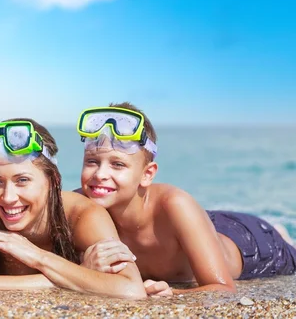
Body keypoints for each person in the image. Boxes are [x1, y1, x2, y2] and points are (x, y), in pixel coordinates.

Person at [75, 102, 296, 295]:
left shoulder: (174, 203)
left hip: (254, 245)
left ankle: (283, 236)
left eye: (118, 164)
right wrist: (84, 269)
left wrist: (173, 294)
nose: (100, 174)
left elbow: (222, 288)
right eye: (92, 161)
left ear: (147, 174)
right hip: (202, 223)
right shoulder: (79, 205)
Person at [0, 119, 146, 299]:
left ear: (53, 180)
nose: (8, 197)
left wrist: (37, 257)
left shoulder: (83, 214)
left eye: (22, 180)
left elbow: (131, 289)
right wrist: (78, 272)